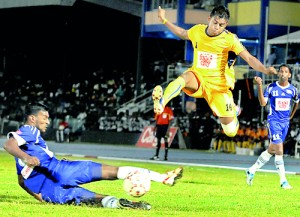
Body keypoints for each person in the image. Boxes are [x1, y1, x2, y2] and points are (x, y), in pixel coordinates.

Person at [3, 102, 183, 210]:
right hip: (62, 170)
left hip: (50, 190)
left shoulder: (31, 140)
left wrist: (38, 196)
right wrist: (25, 157)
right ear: (32, 118)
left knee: (91, 199)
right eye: (45, 117)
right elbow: (8, 144)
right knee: (113, 172)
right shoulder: (28, 130)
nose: (48, 121)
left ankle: (121, 203)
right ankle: (162, 178)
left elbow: (21, 180)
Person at [152, 5, 277, 139]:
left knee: (230, 131)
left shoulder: (230, 39)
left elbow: (249, 58)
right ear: (209, 19)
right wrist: (164, 20)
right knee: (183, 79)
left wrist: (264, 69)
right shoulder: (198, 30)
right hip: (198, 76)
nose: (217, 27)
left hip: (218, 88)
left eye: (221, 25)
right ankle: (161, 102)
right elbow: (182, 33)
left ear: (226, 25)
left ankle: (234, 111)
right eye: (215, 23)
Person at [246, 64, 299, 189]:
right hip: (273, 121)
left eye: (286, 72)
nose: (283, 73)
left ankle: (251, 170)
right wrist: (259, 85)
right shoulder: (271, 88)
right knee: (279, 150)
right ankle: (283, 181)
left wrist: (291, 116)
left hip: (285, 122)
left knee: (271, 150)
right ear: (278, 73)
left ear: (289, 75)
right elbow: (263, 103)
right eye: (281, 71)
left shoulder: (293, 90)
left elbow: (297, 102)